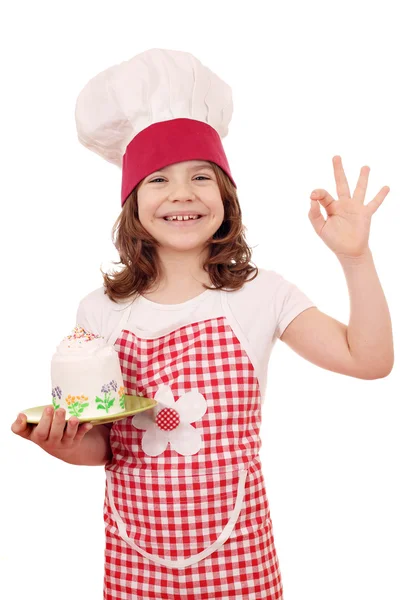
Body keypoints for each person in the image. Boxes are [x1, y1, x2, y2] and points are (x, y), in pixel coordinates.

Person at [11, 48, 394, 600]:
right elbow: (104, 446)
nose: (182, 193)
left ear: (226, 196)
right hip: (133, 556)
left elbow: (370, 360)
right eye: (158, 179)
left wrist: (355, 259)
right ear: (132, 204)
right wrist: (63, 444)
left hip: (240, 557)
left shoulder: (262, 294)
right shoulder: (99, 309)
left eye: (200, 177)